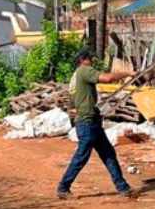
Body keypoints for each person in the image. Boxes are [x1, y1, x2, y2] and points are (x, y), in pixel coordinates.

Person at [57, 51, 137, 199]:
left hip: (90, 121)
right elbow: (107, 78)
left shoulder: (75, 77)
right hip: (87, 123)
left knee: (108, 154)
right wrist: (128, 73)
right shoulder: (84, 70)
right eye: (91, 60)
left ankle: (123, 187)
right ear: (83, 60)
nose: (92, 63)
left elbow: (74, 103)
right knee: (81, 156)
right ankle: (63, 187)